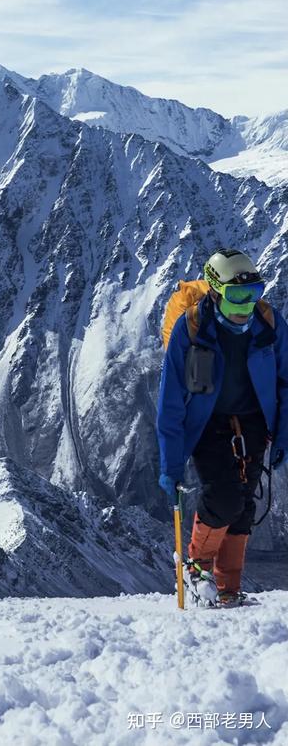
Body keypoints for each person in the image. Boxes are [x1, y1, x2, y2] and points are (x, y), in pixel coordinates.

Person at [157, 248, 288, 606]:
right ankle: (196, 569)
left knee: (244, 503)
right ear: (215, 291)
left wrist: (283, 434)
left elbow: (286, 381)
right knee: (224, 497)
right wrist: (169, 465)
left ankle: (228, 590)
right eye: (237, 296)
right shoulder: (192, 327)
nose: (246, 304)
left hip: (255, 422)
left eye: (254, 294)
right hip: (208, 424)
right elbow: (170, 400)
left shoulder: (269, 324)